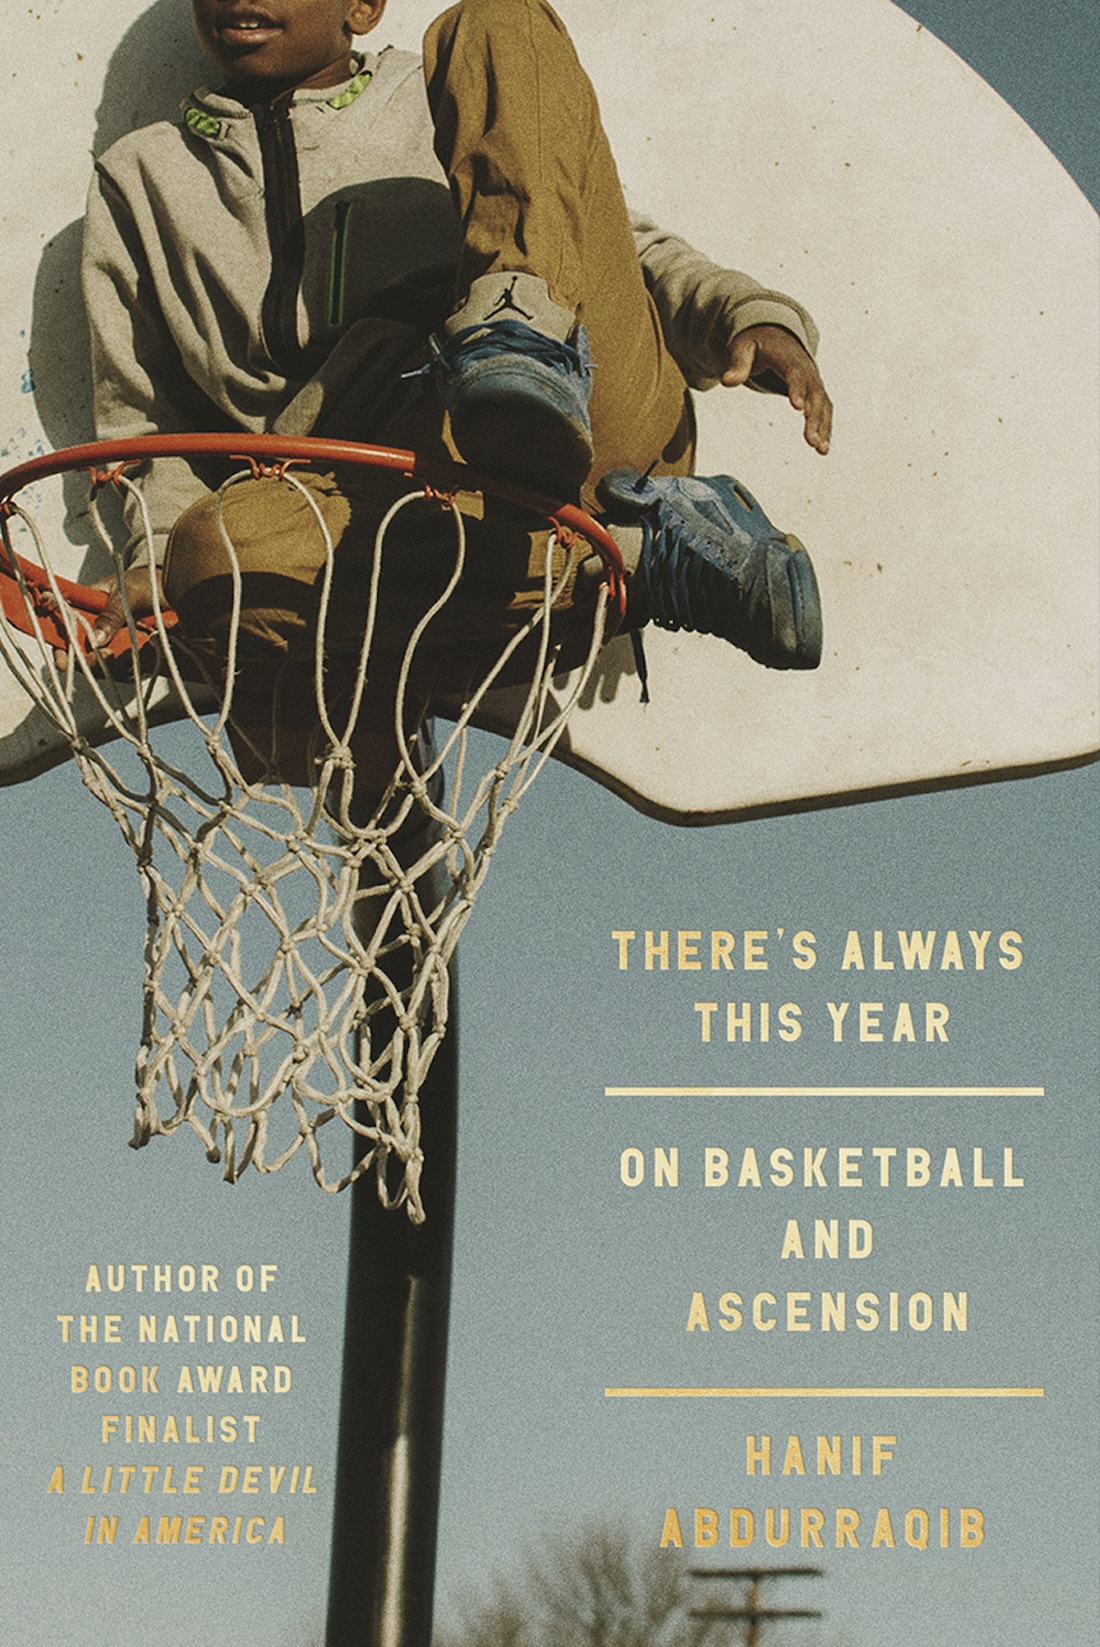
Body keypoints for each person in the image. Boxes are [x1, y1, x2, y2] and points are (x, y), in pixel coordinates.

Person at [82, 0, 833, 698]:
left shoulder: (443, 91)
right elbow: (144, 412)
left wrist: (745, 314)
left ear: (363, 5)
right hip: (393, 500)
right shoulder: (140, 177)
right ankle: (651, 565)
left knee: (499, 14)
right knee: (209, 566)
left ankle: (518, 345)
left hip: (596, 410)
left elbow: (615, 241)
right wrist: (154, 552)